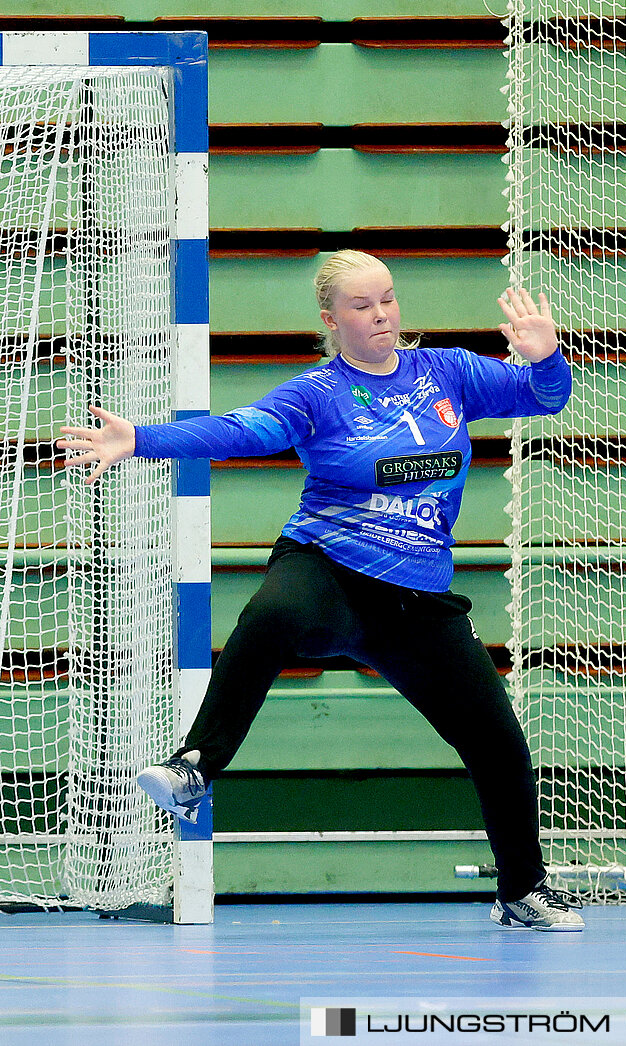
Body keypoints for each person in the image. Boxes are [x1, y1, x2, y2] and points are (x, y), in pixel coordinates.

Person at [55, 250, 586, 931]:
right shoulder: (317, 394)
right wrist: (144, 439)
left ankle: (522, 891)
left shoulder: (448, 372)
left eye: (388, 299)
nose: (382, 315)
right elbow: (240, 430)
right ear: (332, 319)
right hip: (330, 565)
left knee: (498, 743)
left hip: (416, 598)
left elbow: (545, 398)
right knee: (274, 613)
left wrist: (545, 358)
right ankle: (195, 765)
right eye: (363, 306)